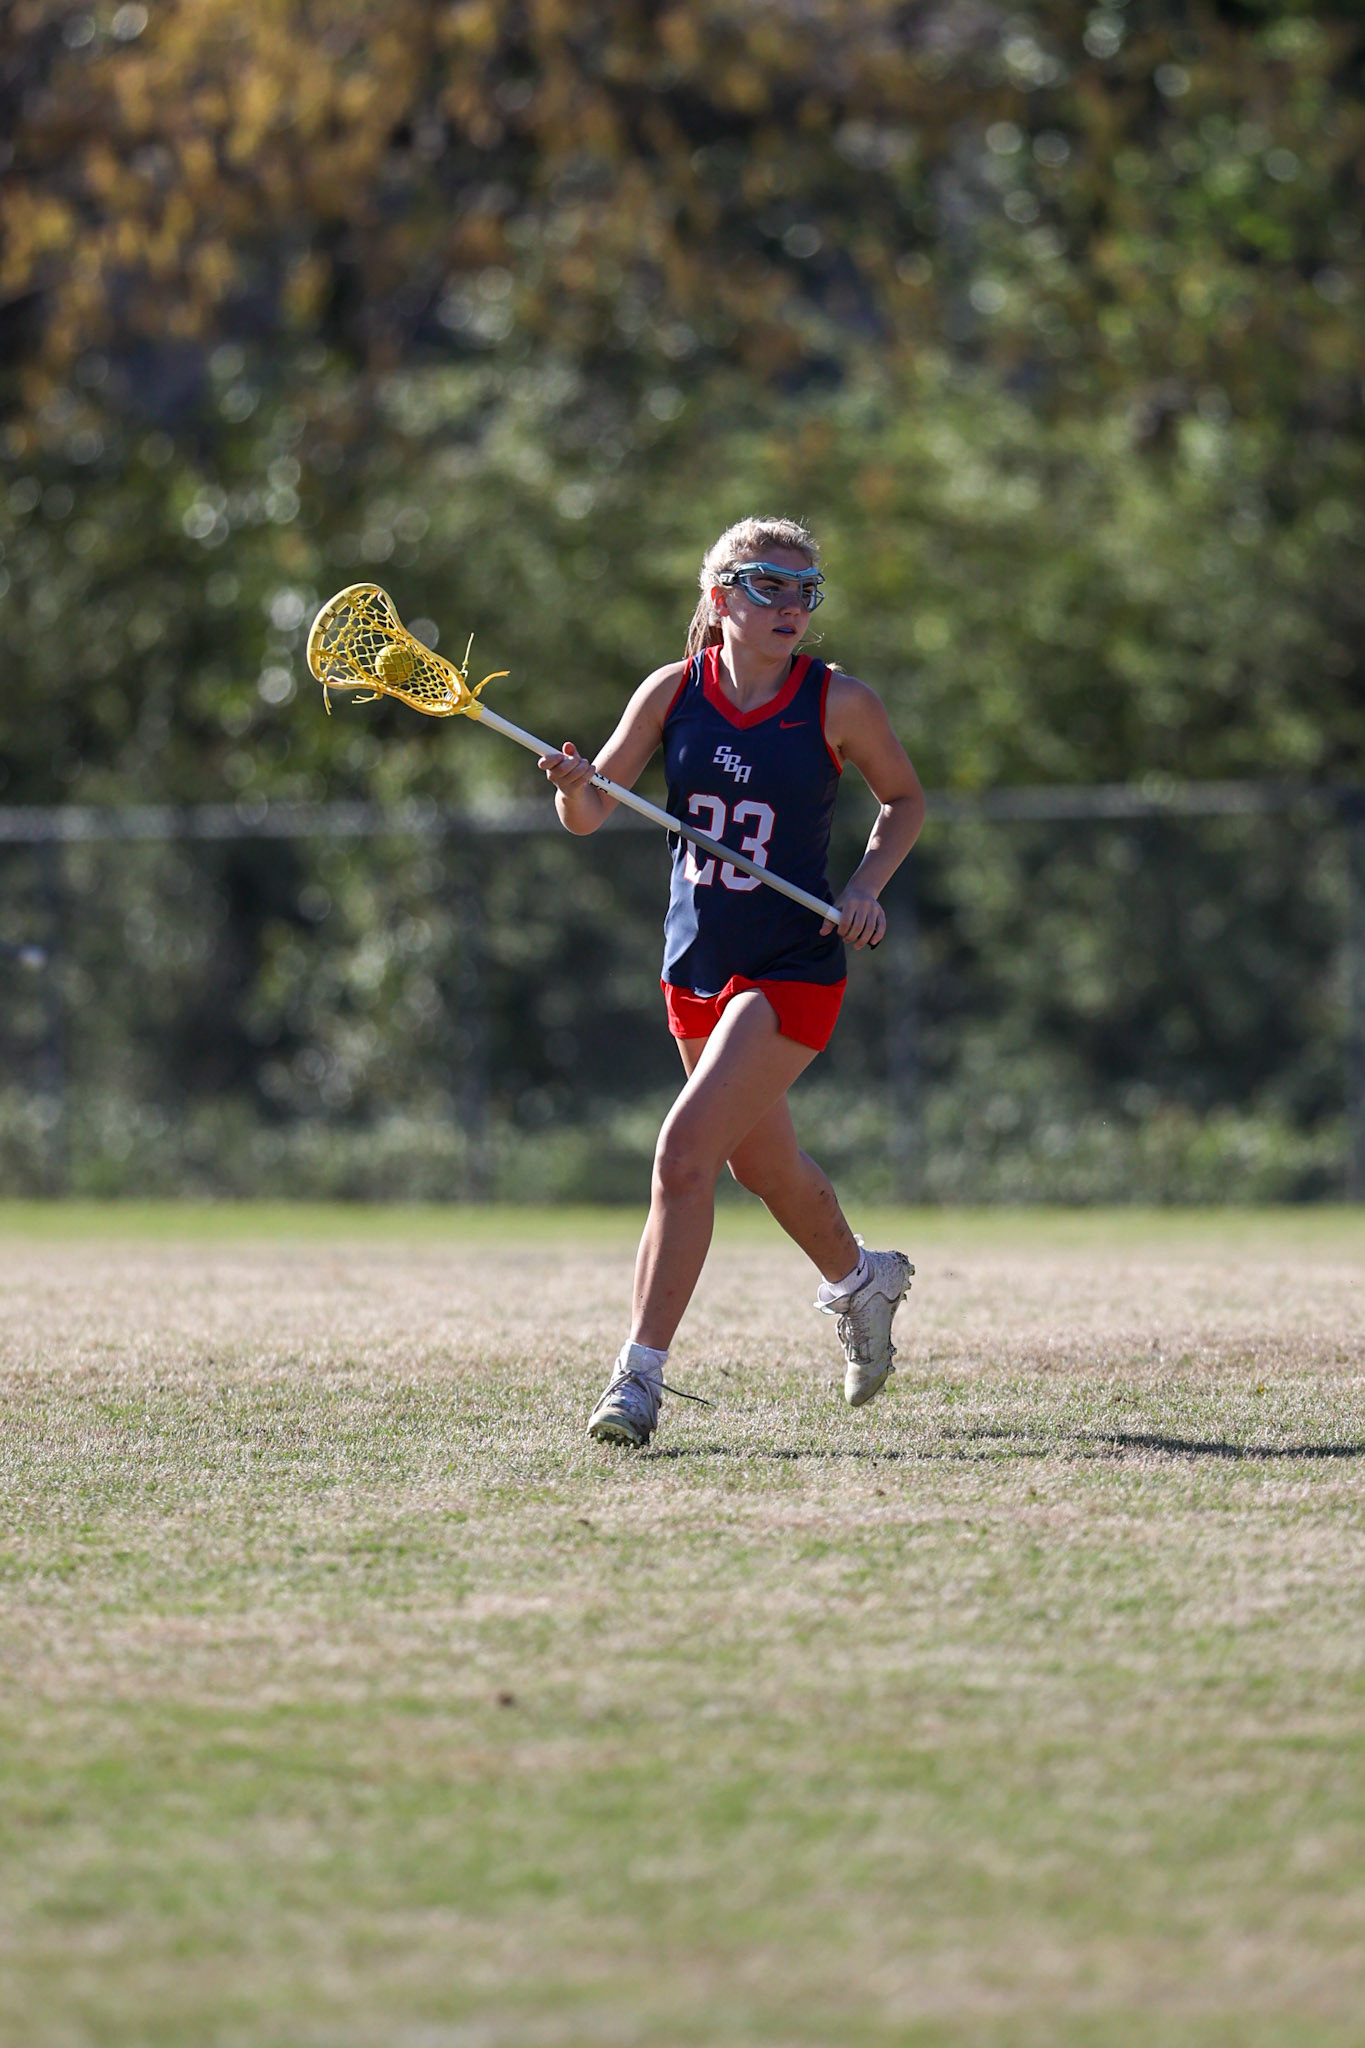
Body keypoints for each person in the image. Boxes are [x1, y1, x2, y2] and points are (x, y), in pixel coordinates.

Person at [539, 516, 925, 1446]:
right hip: (695, 963)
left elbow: (903, 800)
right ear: (720, 599)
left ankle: (636, 1381)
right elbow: (589, 814)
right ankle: (860, 1279)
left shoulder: (838, 703)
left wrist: (865, 887)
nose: (791, 606)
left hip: (790, 965)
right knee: (763, 1166)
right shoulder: (673, 692)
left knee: (682, 1153)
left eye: (804, 591)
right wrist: (568, 782)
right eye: (768, 587)